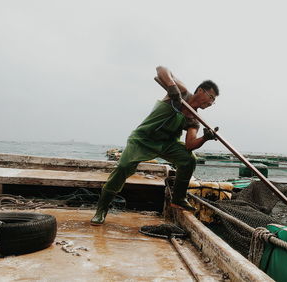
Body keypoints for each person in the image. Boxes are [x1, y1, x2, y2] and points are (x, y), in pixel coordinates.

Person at [91, 66, 219, 225]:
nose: (212, 103)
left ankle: (178, 198)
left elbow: (190, 145)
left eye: (214, 101)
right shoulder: (182, 92)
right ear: (201, 90)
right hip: (143, 139)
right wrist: (172, 87)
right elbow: (161, 69)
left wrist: (205, 138)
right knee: (123, 167)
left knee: (189, 159)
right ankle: (101, 209)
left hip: (166, 144)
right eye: (211, 97)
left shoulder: (194, 119)